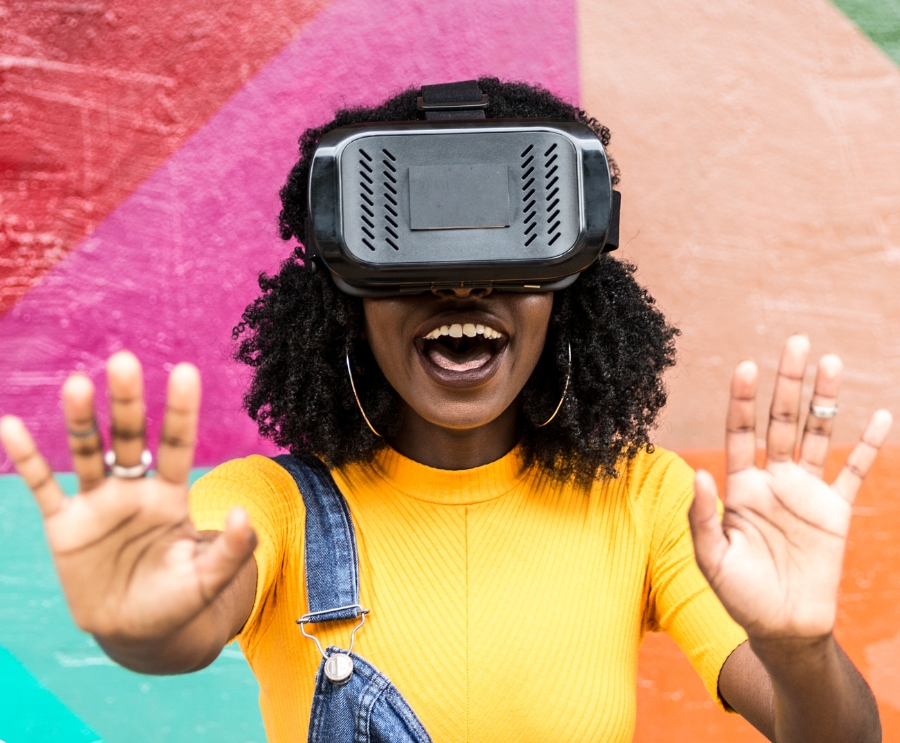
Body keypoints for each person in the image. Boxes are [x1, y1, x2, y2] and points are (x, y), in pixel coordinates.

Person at [0, 78, 892, 743]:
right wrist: (138, 624)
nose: (463, 286)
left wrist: (801, 645)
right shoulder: (264, 511)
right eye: (411, 263)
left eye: (509, 262)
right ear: (347, 297)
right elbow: (181, 623)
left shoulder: (649, 504)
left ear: (567, 296)